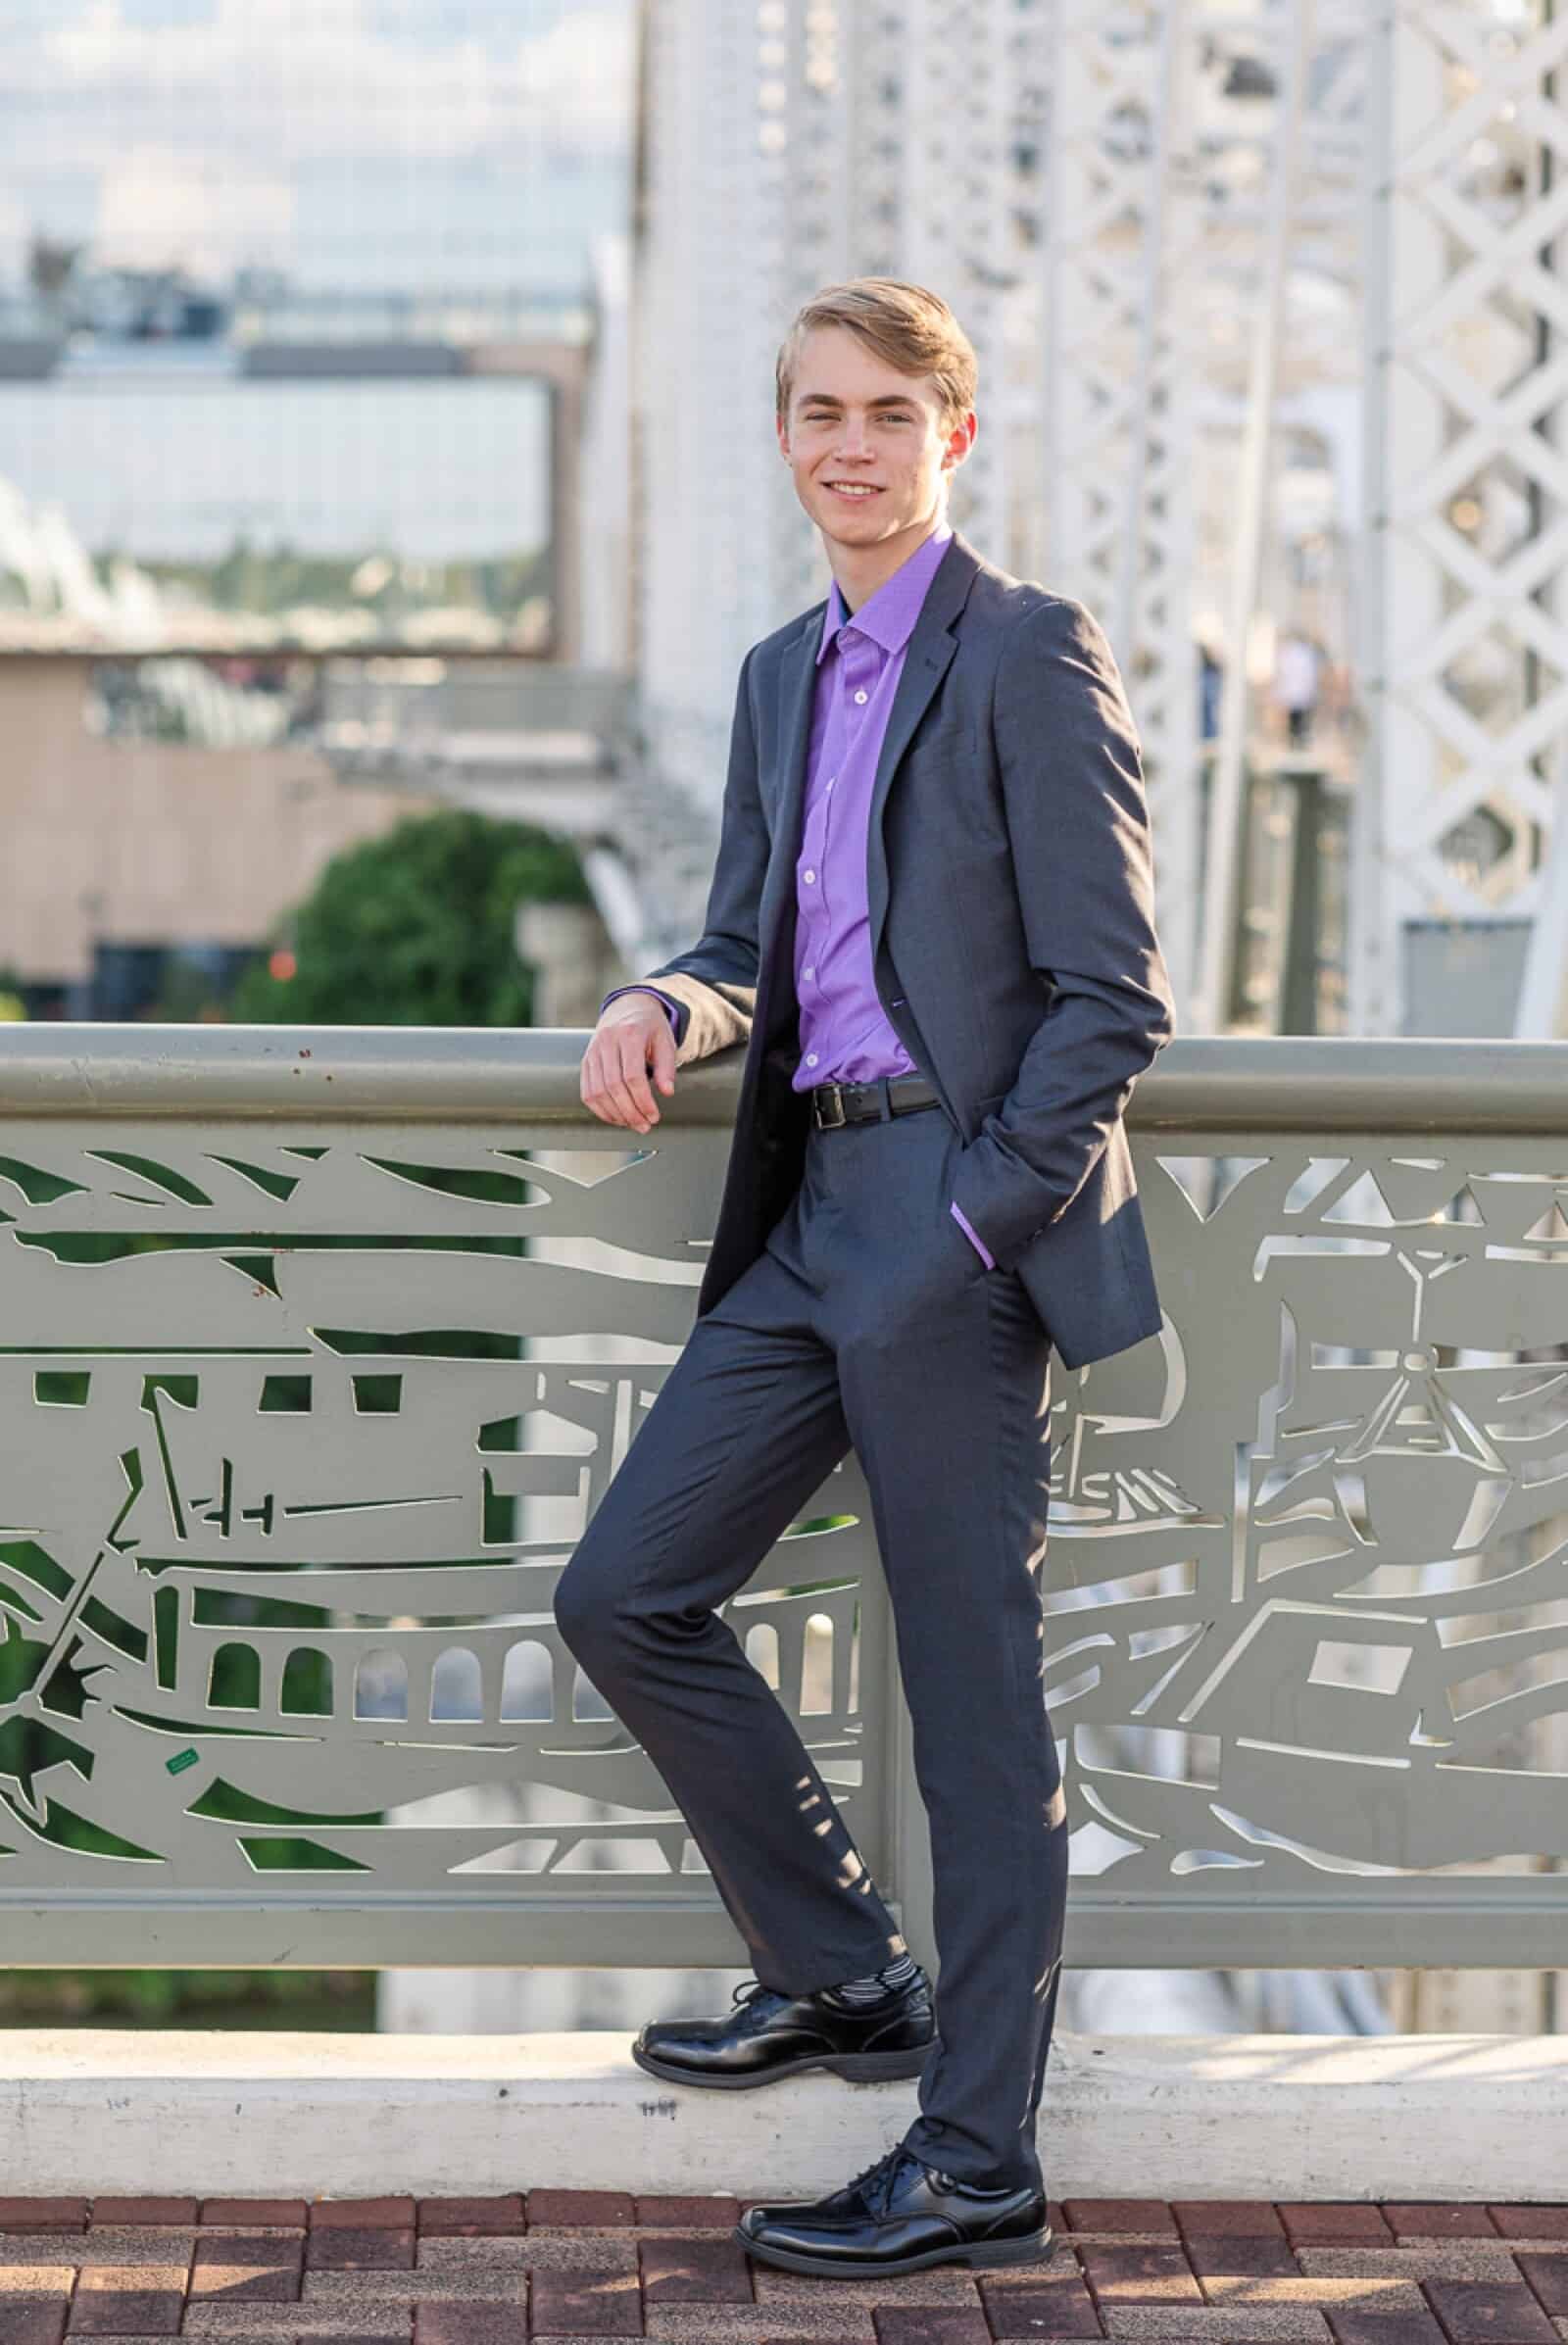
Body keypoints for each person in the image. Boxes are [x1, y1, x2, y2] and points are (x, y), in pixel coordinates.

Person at [557, 277, 1175, 2281]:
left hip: (946, 1220)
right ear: (784, 436)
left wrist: (976, 1224)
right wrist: (666, 996)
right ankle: (842, 1972)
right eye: (818, 411)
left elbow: (1110, 994)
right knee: (625, 1590)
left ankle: (977, 2155)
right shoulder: (770, 676)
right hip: (804, 1209)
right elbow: (748, 939)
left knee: (974, 1704)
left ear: (950, 436)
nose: (849, 443)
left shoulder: (1025, 651)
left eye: (887, 413)